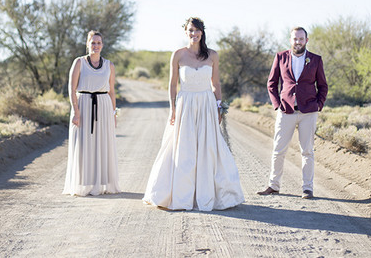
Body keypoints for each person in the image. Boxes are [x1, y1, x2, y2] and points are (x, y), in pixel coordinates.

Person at [143, 17, 244, 211]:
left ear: (202, 32)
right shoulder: (178, 55)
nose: (194, 34)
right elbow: (172, 85)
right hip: (185, 105)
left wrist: (219, 106)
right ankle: (181, 195)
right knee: (184, 148)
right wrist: (172, 108)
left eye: (197, 31)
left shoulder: (212, 55)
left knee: (208, 148)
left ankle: (208, 193)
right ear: (186, 32)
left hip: (206, 104)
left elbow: (216, 84)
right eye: (190, 30)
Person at [258, 27, 328, 199]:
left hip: (308, 112)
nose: (298, 42)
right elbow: (271, 84)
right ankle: (273, 186)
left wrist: (318, 105)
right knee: (278, 150)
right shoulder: (281, 57)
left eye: (301, 39)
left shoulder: (316, 60)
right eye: (295, 39)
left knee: (307, 151)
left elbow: (323, 86)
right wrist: (277, 105)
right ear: (290, 40)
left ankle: (307, 189)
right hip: (286, 111)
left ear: (306, 40)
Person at [63, 30, 121, 196]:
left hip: (103, 106)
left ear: (102, 45)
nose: (96, 46)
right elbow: (71, 88)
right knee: (83, 145)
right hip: (83, 104)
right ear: (87, 44)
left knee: (102, 144)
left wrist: (113, 113)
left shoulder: (109, 65)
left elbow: (111, 92)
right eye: (93, 42)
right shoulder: (79, 63)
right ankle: (83, 184)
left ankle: (101, 184)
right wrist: (76, 111)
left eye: (98, 43)